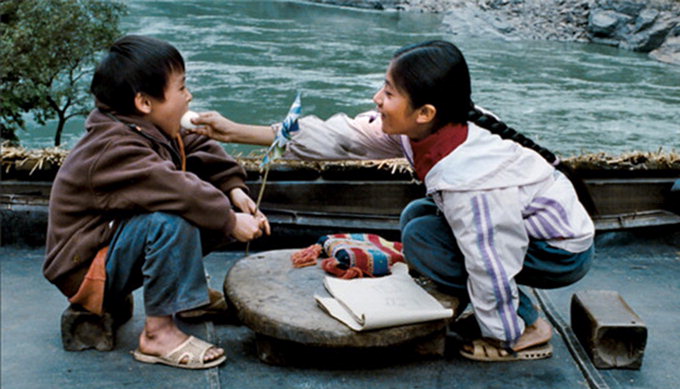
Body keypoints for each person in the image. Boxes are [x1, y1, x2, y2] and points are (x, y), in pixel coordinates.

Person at [190, 40, 595, 362]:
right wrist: (236, 131)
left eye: (388, 91)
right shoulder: (434, 125)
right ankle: (504, 316)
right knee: (419, 218)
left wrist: (500, 333)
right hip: (523, 233)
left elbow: (491, 260)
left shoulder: (473, 181)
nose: (377, 98)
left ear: (424, 112)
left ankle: (525, 327)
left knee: (428, 242)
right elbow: (341, 137)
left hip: (560, 253)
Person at [43, 35, 270, 370]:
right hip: (86, 269)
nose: (189, 95)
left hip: (110, 245)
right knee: (172, 218)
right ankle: (157, 335)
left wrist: (234, 188)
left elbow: (197, 148)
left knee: (202, 200)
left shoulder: (147, 127)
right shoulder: (113, 149)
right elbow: (176, 189)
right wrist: (230, 219)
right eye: (181, 87)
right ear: (144, 103)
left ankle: (186, 297)